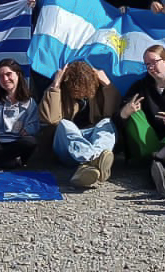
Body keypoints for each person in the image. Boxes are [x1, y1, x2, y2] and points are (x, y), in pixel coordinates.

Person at [117, 45, 165, 197]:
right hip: (148, 144)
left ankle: (160, 164)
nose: (151, 67)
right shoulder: (140, 86)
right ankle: (158, 162)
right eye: (147, 64)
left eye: (154, 62)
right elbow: (118, 117)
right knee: (132, 112)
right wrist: (125, 111)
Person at [40, 61, 119, 189]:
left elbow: (110, 115)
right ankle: (94, 159)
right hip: (69, 145)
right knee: (65, 124)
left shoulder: (98, 91)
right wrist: (55, 85)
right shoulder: (59, 91)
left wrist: (108, 85)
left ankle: (88, 166)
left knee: (106, 123)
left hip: (91, 138)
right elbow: (51, 119)